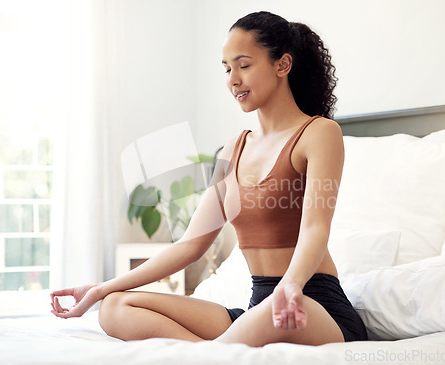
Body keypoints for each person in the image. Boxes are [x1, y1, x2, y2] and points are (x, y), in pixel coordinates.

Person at [50, 11, 367, 347]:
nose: (233, 79)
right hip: (257, 309)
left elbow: (316, 227)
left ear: (282, 65)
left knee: (279, 308)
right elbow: (190, 245)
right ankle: (213, 352)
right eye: (227, 68)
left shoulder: (319, 133)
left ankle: (216, 351)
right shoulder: (234, 147)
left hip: (311, 306)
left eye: (244, 65)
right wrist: (101, 288)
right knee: (116, 306)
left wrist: (290, 285)